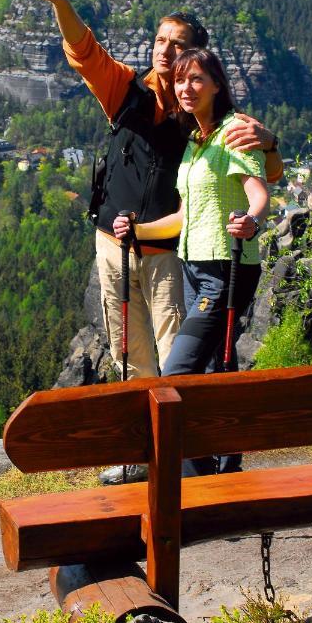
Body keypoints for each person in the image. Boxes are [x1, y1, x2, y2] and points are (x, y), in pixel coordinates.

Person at [35, 0, 282, 387]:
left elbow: (267, 173)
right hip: (114, 243)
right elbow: (84, 51)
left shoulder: (203, 114)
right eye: (160, 40)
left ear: (194, 57)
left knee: (175, 356)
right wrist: (61, 3)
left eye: (177, 44)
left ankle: (177, 448)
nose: (164, 50)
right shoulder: (126, 91)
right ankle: (144, 451)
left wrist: (270, 142)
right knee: (128, 354)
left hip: (169, 252)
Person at [113, 48, 269, 477]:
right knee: (219, 364)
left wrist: (252, 221)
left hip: (226, 266)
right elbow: (184, 216)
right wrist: (137, 230)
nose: (186, 88)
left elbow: (259, 193)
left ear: (217, 84)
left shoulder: (235, 131)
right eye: (181, 80)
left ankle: (195, 477)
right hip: (193, 266)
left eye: (197, 79)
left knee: (176, 373)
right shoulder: (196, 141)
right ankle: (225, 469)